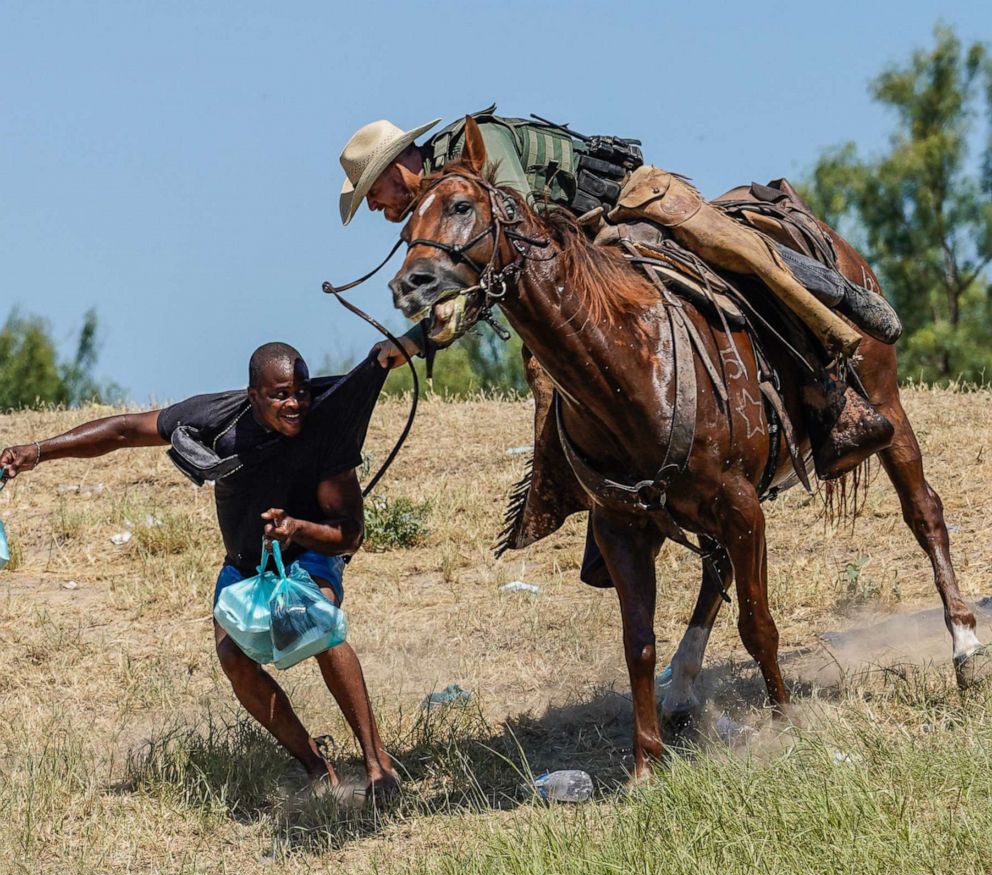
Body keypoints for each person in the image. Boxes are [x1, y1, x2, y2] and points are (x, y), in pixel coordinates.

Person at [338, 107, 900, 478]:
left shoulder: (475, 152)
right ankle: (598, 487)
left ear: (399, 166)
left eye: (373, 190)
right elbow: (488, 277)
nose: (373, 206)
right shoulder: (438, 208)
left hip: (630, 206)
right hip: (583, 254)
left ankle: (834, 378)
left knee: (739, 259)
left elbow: (515, 240)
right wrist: (417, 339)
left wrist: (421, 336)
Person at [0, 343, 398, 803]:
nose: (295, 405)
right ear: (253, 395)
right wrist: (38, 451)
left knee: (315, 623)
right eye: (281, 394)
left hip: (307, 553)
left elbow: (349, 534)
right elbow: (126, 431)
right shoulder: (216, 417)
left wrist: (297, 529)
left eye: (303, 392)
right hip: (245, 565)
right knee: (234, 660)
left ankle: (377, 766)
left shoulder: (325, 430)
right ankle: (317, 768)